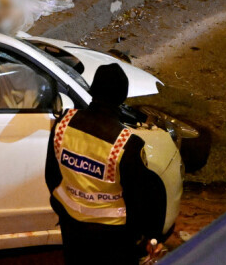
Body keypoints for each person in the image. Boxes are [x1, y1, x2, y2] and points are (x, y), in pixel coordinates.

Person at [46, 63, 167, 263]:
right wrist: (147, 237)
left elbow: (51, 175)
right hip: (113, 238)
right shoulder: (127, 144)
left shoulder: (62, 124)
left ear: (93, 90)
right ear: (122, 97)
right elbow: (139, 200)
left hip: (72, 229)